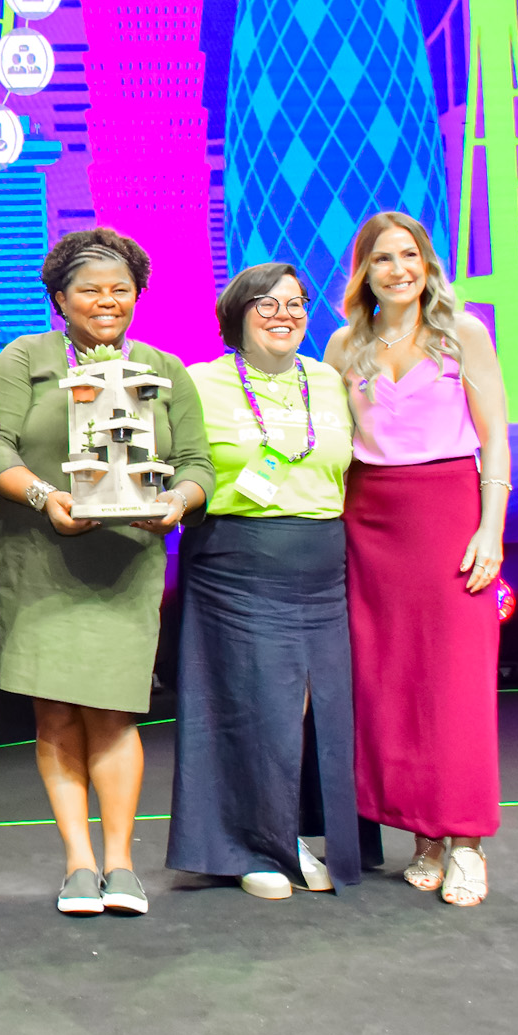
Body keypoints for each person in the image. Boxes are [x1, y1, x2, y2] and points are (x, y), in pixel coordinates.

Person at [0, 228, 212, 917]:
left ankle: (121, 864)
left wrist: (174, 501)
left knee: (112, 714)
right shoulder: (26, 357)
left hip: (127, 560)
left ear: (138, 295)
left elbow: (199, 464)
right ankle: (79, 864)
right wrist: (45, 498)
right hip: (40, 558)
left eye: (120, 289)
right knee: (55, 714)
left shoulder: (166, 368)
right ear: (60, 298)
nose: (106, 301)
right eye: (89, 289)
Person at [324, 210, 511, 909]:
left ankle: (465, 840)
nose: (399, 268)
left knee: (454, 686)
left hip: (448, 510)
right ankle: (423, 838)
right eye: (383, 258)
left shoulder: (464, 333)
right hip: (369, 518)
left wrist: (490, 529)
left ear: (428, 263)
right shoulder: (345, 345)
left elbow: (494, 438)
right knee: (388, 685)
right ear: (363, 271)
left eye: (410, 255)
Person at [168, 262, 359, 900]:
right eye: (267, 305)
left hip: (321, 564)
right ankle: (252, 848)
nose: (285, 316)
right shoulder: (200, 382)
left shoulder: (331, 380)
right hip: (236, 561)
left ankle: (291, 835)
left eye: (296, 304)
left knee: (311, 712)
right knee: (252, 708)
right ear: (238, 315)